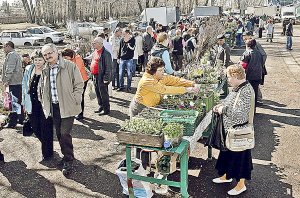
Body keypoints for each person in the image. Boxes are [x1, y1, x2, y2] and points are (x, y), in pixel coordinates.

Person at [41, 43, 84, 175]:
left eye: (50, 53)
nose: (48, 56)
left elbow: (79, 84)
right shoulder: (45, 69)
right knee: (59, 133)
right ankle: (66, 155)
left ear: (56, 52)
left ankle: (69, 160)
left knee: (64, 133)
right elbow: (43, 88)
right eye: (45, 54)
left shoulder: (69, 66)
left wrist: (75, 99)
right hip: (54, 107)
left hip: (67, 105)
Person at [212, 64, 254, 196]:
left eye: (229, 77)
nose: (228, 80)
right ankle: (226, 176)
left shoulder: (246, 90)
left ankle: (241, 185)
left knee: (240, 158)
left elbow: (240, 114)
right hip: (231, 131)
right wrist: (222, 104)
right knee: (227, 154)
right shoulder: (239, 87)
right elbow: (231, 102)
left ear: (236, 76)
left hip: (239, 132)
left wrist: (222, 109)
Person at [129, 57, 198, 117]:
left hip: (151, 106)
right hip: (140, 108)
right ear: (153, 71)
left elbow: (175, 80)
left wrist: (192, 83)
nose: (163, 72)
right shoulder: (147, 81)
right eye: (160, 70)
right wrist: (186, 89)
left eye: (163, 69)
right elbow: (164, 89)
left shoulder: (160, 76)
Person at [22, 50, 54, 160]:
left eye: (40, 60)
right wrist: (24, 103)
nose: (37, 62)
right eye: (35, 60)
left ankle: (47, 154)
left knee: (46, 128)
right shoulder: (28, 69)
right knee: (35, 127)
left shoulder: (49, 70)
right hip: (32, 103)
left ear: (44, 60)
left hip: (44, 104)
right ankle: (47, 145)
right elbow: (24, 87)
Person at [2, 41, 24, 128]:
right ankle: (21, 120)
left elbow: (9, 69)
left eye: (4, 47)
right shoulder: (14, 54)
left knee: (13, 103)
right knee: (17, 102)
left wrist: (6, 80)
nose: (3, 49)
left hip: (14, 82)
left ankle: (12, 123)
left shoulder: (11, 55)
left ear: (8, 46)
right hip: (16, 82)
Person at [61, 48, 89, 120]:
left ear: (70, 55)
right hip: (74, 81)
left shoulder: (78, 58)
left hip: (82, 80)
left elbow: (76, 70)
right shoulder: (70, 59)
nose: (65, 59)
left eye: (66, 57)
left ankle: (80, 114)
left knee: (80, 96)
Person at [91, 37, 113, 115]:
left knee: (103, 93)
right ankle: (101, 106)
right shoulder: (95, 51)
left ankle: (106, 109)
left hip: (102, 76)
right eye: (93, 42)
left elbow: (109, 67)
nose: (93, 44)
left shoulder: (106, 53)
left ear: (100, 44)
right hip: (95, 76)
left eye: (95, 43)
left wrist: (106, 78)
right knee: (98, 92)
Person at [240, 39, 263, 109]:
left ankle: (249, 110)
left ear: (247, 45)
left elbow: (243, 65)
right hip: (258, 75)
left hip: (250, 76)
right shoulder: (259, 53)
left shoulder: (247, 53)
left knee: (248, 94)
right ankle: (254, 109)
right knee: (255, 93)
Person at [117, 29, 135, 93]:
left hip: (129, 59)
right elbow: (120, 49)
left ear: (128, 33)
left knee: (129, 74)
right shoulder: (122, 40)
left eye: (124, 33)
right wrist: (118, 58)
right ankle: (121, 86)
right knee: (120, 74)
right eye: (122, 34)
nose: (123, 34)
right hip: (122, 59)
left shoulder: (132, 39)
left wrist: (128, 43)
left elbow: (133, 48)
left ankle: (129, 87)